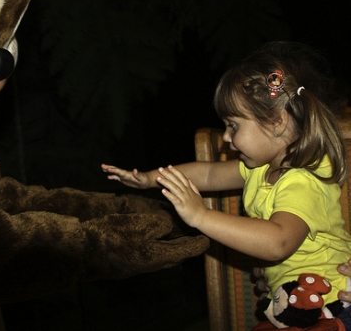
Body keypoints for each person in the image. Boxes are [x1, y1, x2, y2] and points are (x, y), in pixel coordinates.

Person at [102, 41, 351, 327]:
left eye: (233, 125)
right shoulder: (259, 169)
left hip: (332, 306)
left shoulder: (304, 178)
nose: (226, 138)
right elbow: (207, 175)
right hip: (297, 307)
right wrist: (149, 178)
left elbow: (278, 241)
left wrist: (201, 216)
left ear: (276, 123)